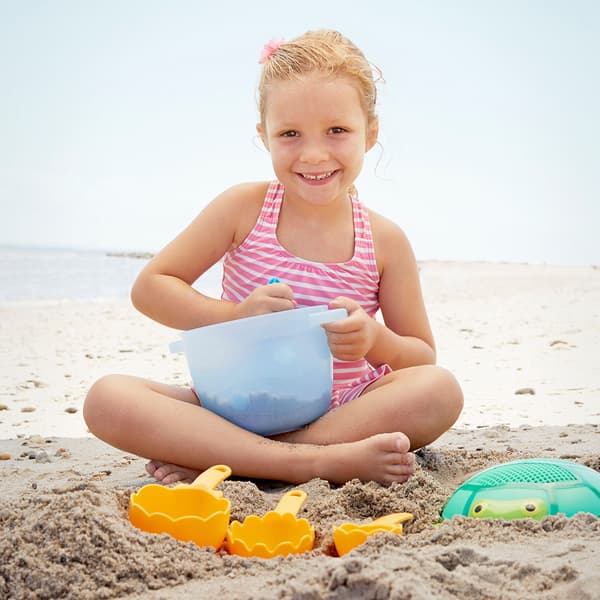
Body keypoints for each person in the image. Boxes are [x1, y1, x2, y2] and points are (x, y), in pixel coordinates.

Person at [84, 29, 463, 486]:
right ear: (264, 137)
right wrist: (236, 315)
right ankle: (313, 462)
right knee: (106, 398)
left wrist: (374, 340)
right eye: (290, 134)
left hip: (340, 412)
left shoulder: (384, 240)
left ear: (371, 133)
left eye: (337, 130)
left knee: (440, 390)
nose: (314, 153)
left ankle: (237, 459)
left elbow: (421, 357)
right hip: (229, 408)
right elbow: (152, 287)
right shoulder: (243, 208)